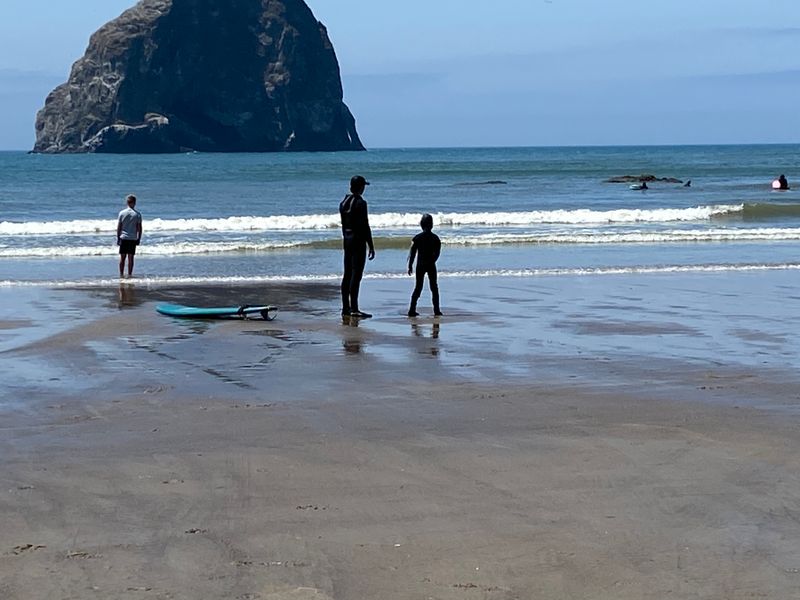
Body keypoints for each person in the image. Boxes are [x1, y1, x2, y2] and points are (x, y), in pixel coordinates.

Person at [339, 175, 375, 318]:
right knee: (356, 275)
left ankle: (345, 307)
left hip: (347, 240)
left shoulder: (344, 203)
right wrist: (370, 245)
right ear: (360, 187)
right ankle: (354, 308)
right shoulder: (361, 203)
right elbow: (365, 225)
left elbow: (343, 225)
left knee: (347, 274)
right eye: (363, 186)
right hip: (358, 241)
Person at [407, 213, 442, 317]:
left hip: (420, 265)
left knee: (418, 287)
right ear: (432, 225)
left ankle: (412, 309)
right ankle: (436, 310)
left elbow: (412, 253)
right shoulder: (435, 238)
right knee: (434, 288)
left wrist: (410, 265)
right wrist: (433, 260)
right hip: (431, 265)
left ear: (421, 225)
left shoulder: (417, 238)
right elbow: (437, 253)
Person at [116, 194, 142, 278]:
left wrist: (118, 238)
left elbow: (119, 227)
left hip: (123, 237)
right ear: (134, 203)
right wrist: (139, 238)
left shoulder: (122, 213)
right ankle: (130, 274)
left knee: (122, 258)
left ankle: (121, 274)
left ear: (127, 202)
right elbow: (139, 228)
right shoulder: (137, 214)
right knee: (131, 258)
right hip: (132, 238)